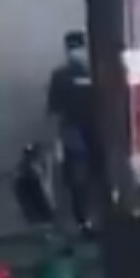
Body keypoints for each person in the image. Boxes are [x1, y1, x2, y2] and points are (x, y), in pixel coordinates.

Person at [47, 30, 100, 232]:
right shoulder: (93, 70)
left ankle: (87, 220)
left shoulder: (65, 74)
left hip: (81, 131)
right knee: (83, 178)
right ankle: (87, 220)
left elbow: (54, 110)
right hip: (82, 131)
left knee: (84, 178)